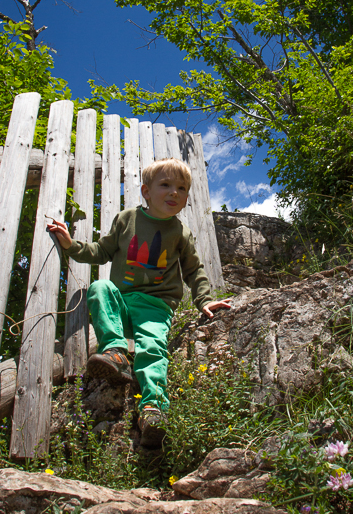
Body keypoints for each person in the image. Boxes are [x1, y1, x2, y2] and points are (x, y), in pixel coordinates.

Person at [48, 158, 231, 449]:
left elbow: (194, 270)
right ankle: (117, 353)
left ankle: (153, 409)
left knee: (152, 347)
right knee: (99, 287)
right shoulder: (126, 219)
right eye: (166, 185)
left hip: (155, 306)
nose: (174, 193)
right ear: (146, 191)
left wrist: (204, 301)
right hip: (122, 302)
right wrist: (71, 246)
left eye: (182, 188)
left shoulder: (180, 233)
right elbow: (101, 250)